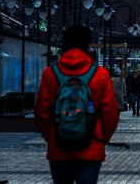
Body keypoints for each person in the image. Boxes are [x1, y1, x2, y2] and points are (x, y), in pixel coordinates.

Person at [34, 25, 119, 184]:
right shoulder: (100, 74)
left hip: (59, 147)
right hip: (90, 148)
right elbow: (110, 115)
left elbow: (41, 113)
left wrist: (53, 135)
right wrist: (100, 137)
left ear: (64, 44)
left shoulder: (50, 74)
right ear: (88, 44)